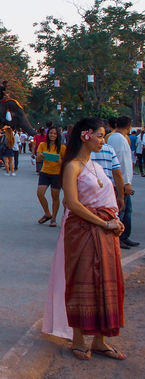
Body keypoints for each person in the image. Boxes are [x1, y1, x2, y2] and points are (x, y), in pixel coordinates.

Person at [43, 117, 126, 361]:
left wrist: (115, 222)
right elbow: (71, 203)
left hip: (106, 231)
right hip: (82, 231)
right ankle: (79, 339)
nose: (103, 140)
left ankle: (100, 340)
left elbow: (108, 199)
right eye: (100, 135)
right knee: (82, 282)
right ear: (85, 135)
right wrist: (103, 222)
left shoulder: (96, 166)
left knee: (108, 281)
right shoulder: (73, 167)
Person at [106, 116, 138, 248]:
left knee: (121, 209)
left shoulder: (111, 137)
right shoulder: (122, 139)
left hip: (114, 179)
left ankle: (121, 237)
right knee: (124, 210)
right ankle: (122, 236)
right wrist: (126, 183)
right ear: (129, 127)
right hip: (121, 181)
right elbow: (123, 163)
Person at [36, 127, 66, 227]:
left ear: (58, 135)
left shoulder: (62, 147)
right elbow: (37, 159)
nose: (52, 135)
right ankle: (48, 213)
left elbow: (66, 163)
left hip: (56, 174)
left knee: (55, 196)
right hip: (45, 172)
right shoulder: (42, 145)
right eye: (51, 133)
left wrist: (59, 161)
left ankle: (53, 219)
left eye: (55, 134)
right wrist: (40, 156)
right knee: (40, 193)